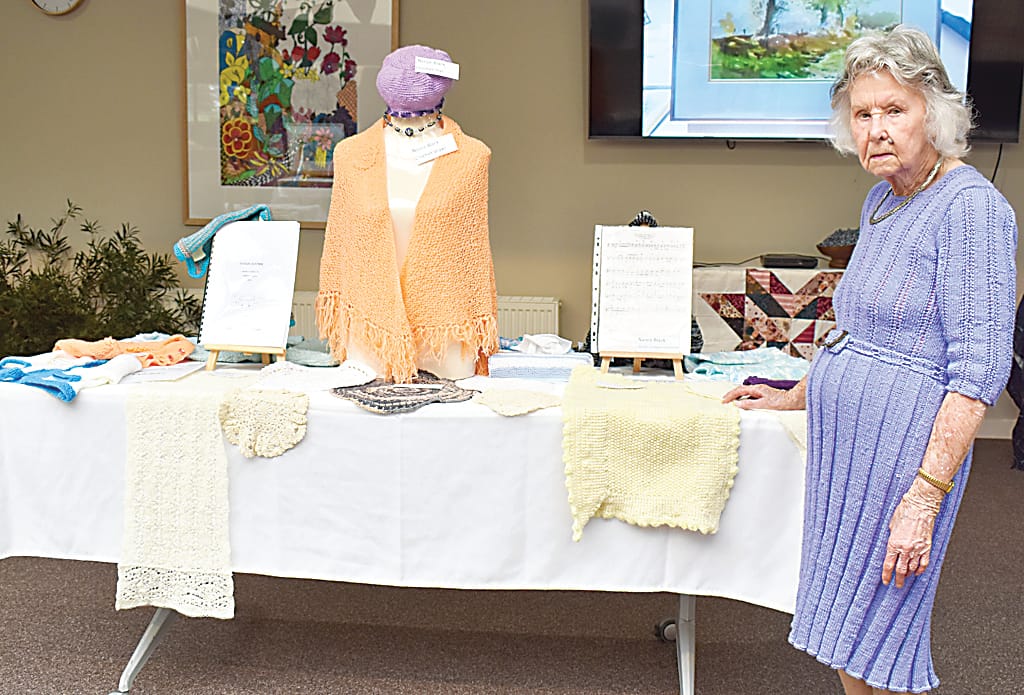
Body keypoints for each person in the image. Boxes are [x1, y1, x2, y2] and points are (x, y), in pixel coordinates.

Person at [722, 25, 1017, 694]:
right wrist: (797, 393)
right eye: (862, 114)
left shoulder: (972, 211)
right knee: (847, 635)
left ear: (933, 113)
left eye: (894, 110)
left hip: (902, 458)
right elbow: (857, 328)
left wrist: (924, 498)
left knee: (881, 631)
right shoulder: (884, 198)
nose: (876, 130)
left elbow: (978, 375)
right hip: (848, 452)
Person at [317, 44, 498, 382]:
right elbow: (342, 248)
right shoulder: (350, 156)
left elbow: (472, 257)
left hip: (445, 338)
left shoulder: (472, 157)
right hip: (370, 334)